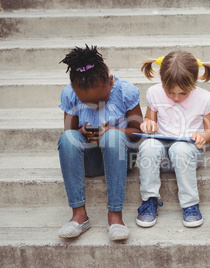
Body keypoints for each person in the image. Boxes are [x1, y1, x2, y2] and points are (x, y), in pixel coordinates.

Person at [57, 45, 143, 240]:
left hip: (122, 157)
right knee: (67, 139)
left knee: (112, 137)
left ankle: (115, 216)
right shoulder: (69, 94)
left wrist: (114, 131)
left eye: (100, 100)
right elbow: (69, 134)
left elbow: (138, 132)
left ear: (110, 81)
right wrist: (81, 132)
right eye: (87, 103)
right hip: (91, 162)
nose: (94, 106)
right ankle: (79, 215)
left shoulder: (124, 91)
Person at [136, 51, 210, 228]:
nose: (176, 98)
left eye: (183, 93)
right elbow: (150, 120)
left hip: (188, 154)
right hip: (161, 157)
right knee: (148, 146)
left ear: (194, 83)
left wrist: (202, 136)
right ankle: (149, 200)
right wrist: (147, 125)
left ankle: (190, 204)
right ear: (162, 81)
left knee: (179, 149)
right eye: (170, 92)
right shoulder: (154, 93)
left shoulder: (205, 99)